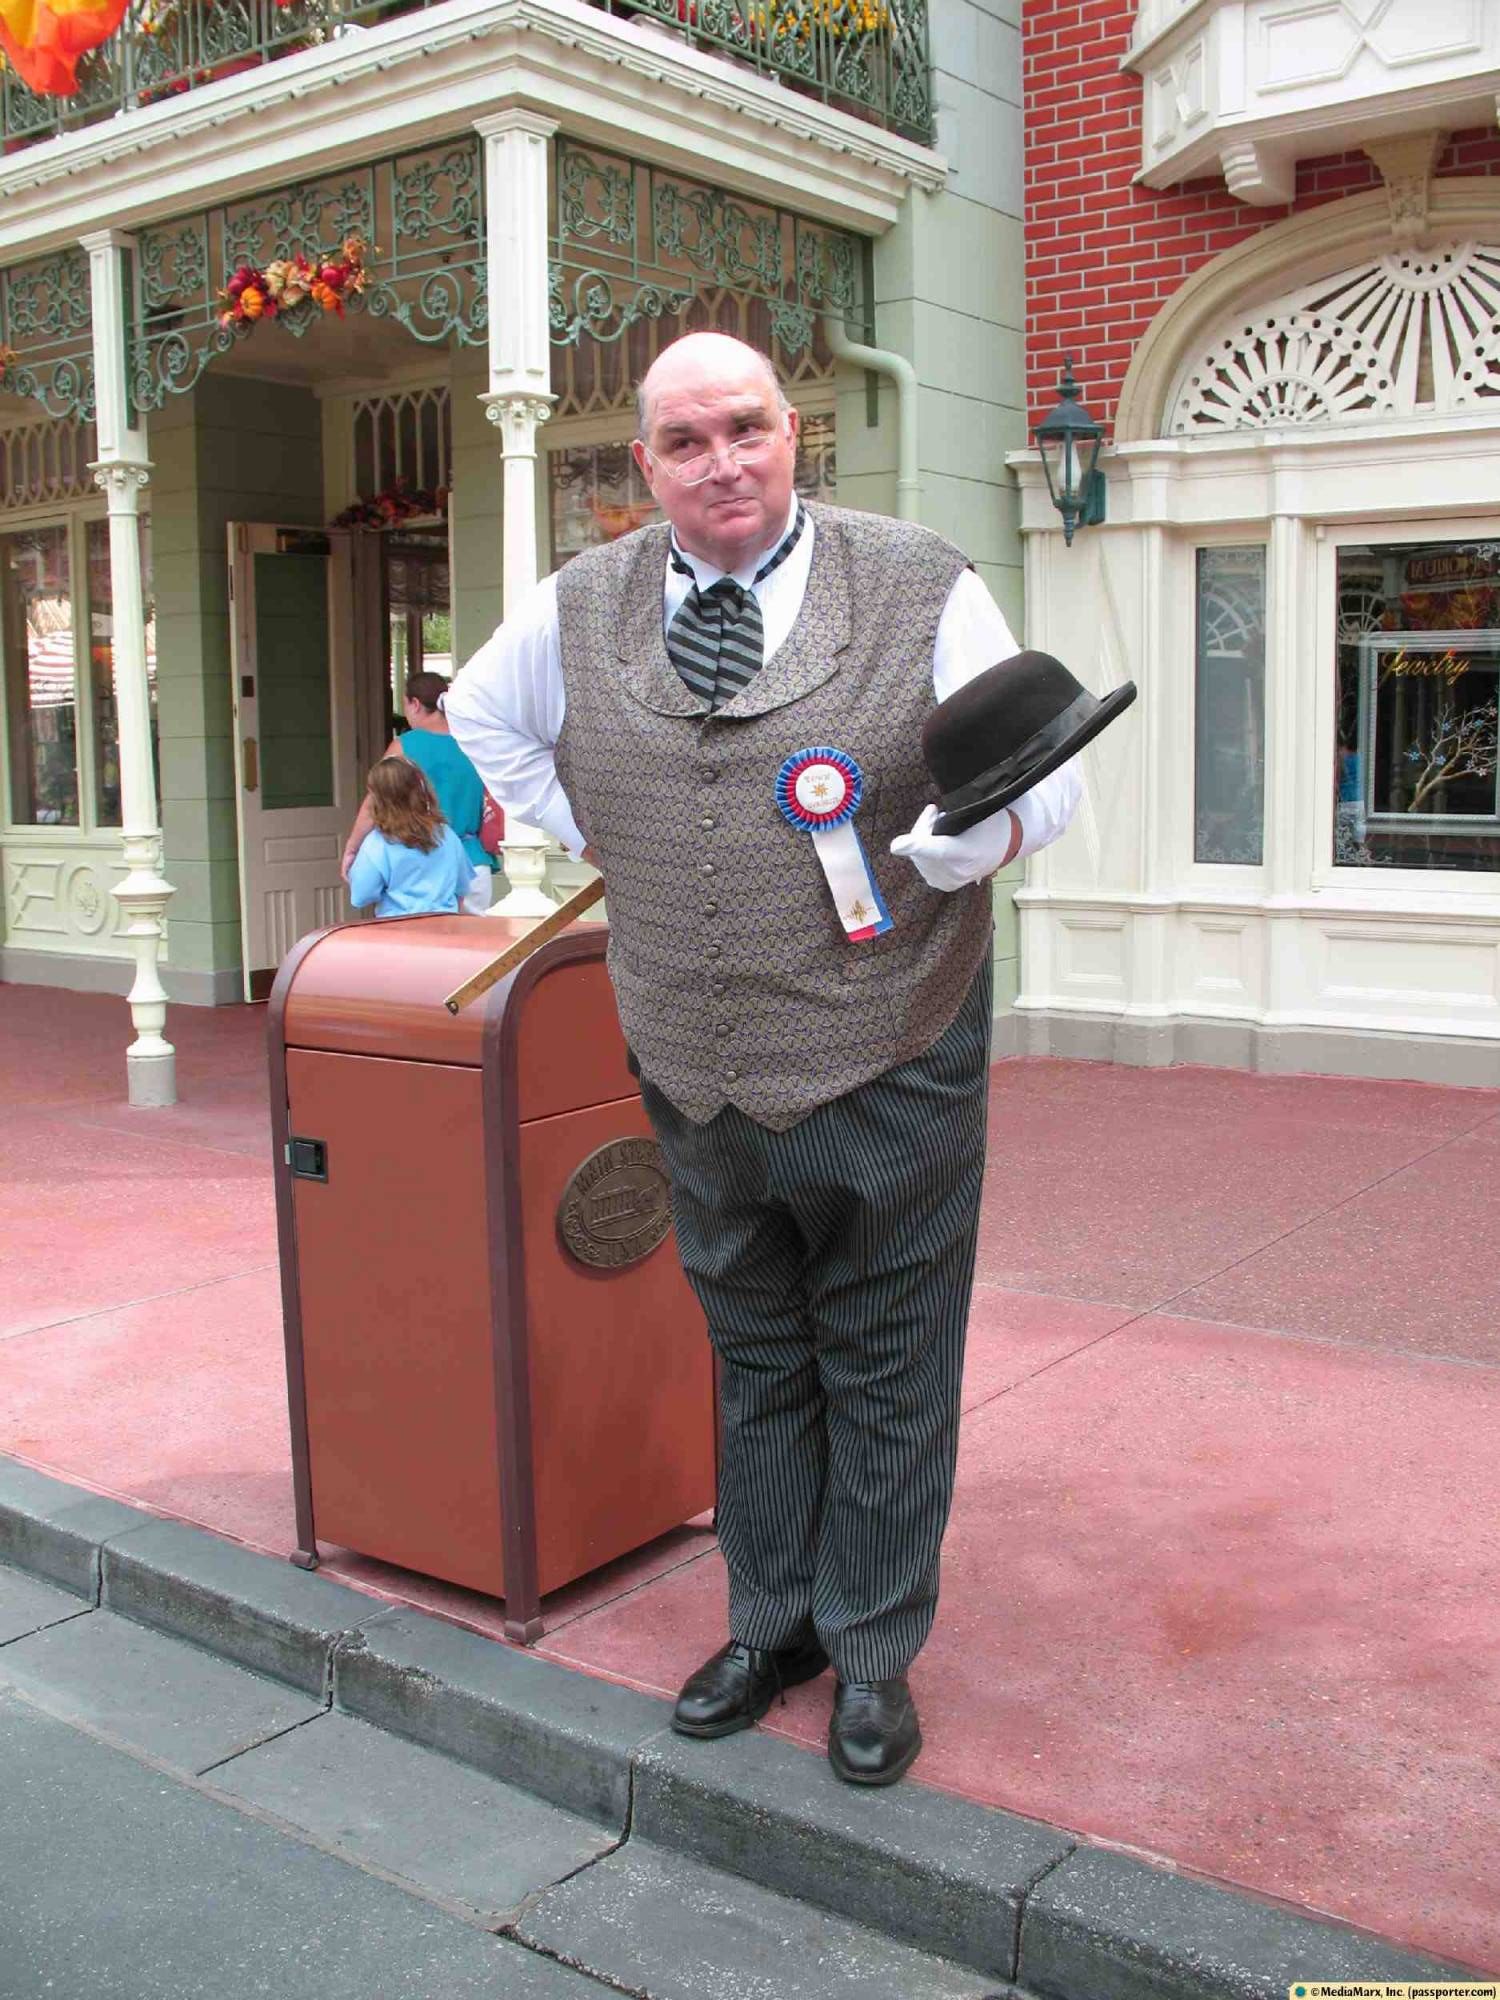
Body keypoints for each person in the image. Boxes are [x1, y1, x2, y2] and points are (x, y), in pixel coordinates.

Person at [446, 331, 1081, 1787]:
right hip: (691, 1060)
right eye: (687, 441)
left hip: (891, 1051)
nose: (723, 462)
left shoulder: (919, 578)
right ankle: (770, 1619)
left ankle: (872, 1654)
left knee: (890, 1362)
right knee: (752, 1357)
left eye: (746, 429)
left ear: (793, 433)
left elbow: (1048, 787)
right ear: (645, 467)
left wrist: (948, 846)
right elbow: (481, 718)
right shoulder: (578, 602)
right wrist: (583, 820)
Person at [342, 671, 497, 912]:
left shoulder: (405, 745)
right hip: (471, 862)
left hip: (418, 865)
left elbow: (376, 800)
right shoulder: (473, 742)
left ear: (414, 704)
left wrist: (353, 847)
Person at [346, 757, 473, 919]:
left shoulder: (378, 842)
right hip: (445, 925)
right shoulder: (446, 834)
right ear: (421, 788)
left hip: (398, 930)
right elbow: (462, 888)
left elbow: (361, 896)